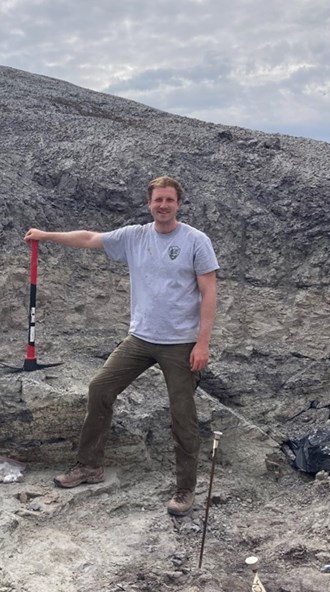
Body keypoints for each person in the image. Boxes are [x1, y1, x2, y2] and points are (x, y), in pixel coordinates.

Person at [24, 176, 219, 516]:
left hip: (180, 343)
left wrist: (202, 343)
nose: (163, 206)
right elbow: (88, 238)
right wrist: (45, 235)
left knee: (182, 416)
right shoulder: (134, 236)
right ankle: (89, 466)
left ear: (178, 204)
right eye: (158, 200)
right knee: (100, 387)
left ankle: (185, 489)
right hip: (141, 338)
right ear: (149, 203)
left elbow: (209, 293)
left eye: (169, 200)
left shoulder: (195, 241)